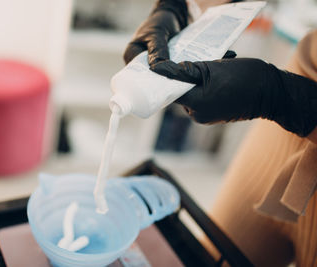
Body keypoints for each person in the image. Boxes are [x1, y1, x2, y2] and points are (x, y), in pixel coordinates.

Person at [123, 0, 317, 266]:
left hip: (291, 102)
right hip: (285, 126)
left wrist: (287, 99)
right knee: (212, 256)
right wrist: (175, 6)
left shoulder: (280, 97)